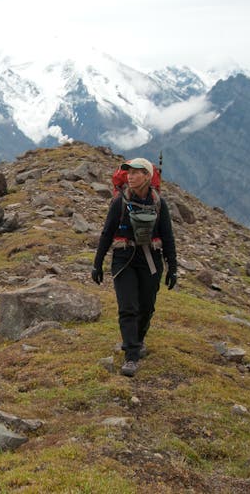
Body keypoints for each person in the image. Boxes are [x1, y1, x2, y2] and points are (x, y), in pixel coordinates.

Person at [91, 158, 177, 377]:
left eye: (137, 173)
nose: (130, 176)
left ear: (147, 176)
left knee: (146, 307)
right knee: (128, 307)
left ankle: (136, 341)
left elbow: (167, 237)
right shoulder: (119, 202)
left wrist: (172, 267)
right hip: (123, 258)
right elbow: (107, 233)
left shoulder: (159, 203)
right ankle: (131, 355)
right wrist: (97, 264)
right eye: (129, 172)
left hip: (150, 260)